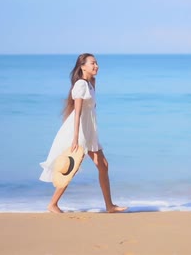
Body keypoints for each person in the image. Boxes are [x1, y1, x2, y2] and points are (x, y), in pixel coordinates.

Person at [39, 53, 127, 213]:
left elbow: (91, 110)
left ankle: (109, 206)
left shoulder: (90, 83)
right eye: (93, 63)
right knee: (72, 168)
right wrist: (75, 138)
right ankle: (53, 204)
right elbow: (77, 112)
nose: (96, 66)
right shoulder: (80, 85)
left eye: (97, 63)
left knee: (103, 166)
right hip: (79, 131)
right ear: (82, 66)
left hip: (89, 131)